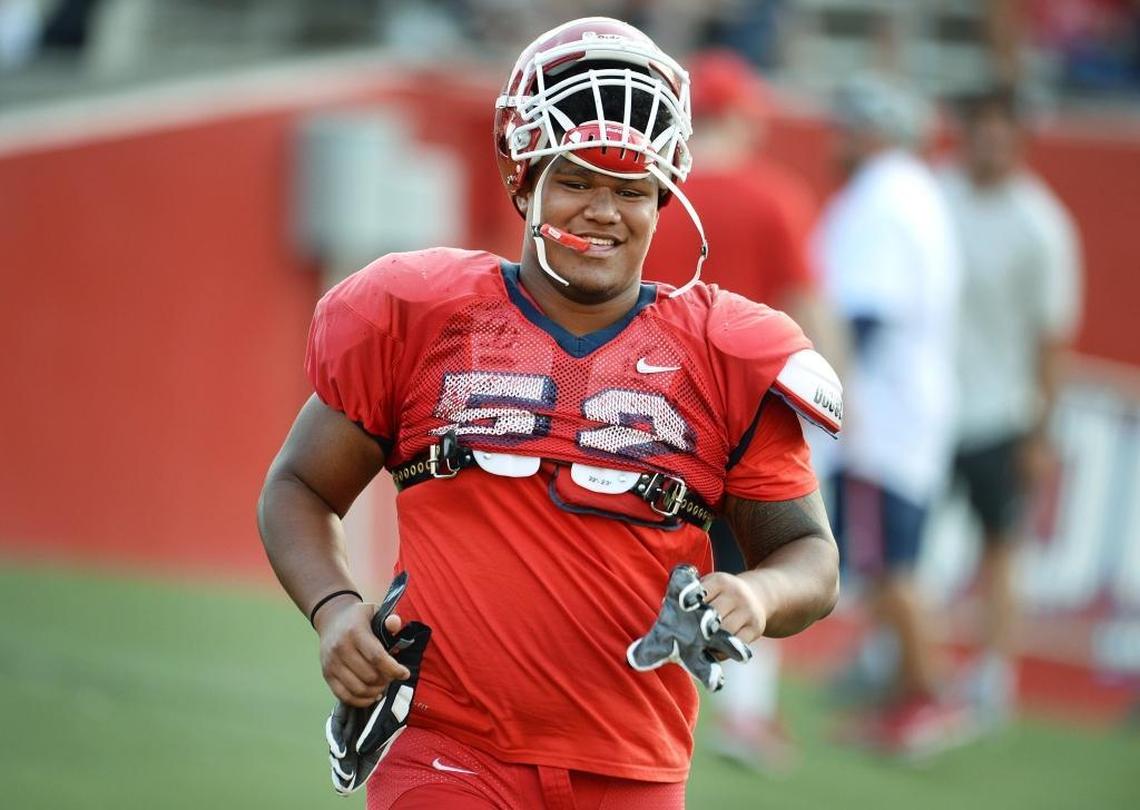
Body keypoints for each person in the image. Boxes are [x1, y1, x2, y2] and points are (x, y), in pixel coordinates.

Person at [258, 17, 842, 809]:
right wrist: (334, 611)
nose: (604, 210)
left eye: (631, 189)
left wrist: (762, 596)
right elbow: (298, 485)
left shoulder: (722, 351)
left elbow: (810, 553)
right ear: (525, 178)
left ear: (664, 198)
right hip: (448, 747)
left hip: (633, 769)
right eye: (577, 181)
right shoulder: (423, 315)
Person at [643, 48, 841, 773]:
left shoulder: (654, 187)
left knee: (643, 549)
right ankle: (747, 716)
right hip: (742, 412)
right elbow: (808, 307)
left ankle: (647, 677)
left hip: (642, 399)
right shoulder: (775, 197)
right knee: (764, 560)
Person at [813, 72, 964, 756]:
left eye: (849, 126)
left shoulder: (884, 198)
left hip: (883, 407)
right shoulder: (911, 191)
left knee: (891, 565)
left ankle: (925, 696)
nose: (837, 140)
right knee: (887, 562)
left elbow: (865, 314)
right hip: (906, 402)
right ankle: (903, 690)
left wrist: (830, 395)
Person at [938, 84, 1082, 726]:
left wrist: (1040, 432)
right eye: (979, 126)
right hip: (933, 401)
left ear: (1019, 138)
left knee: (1000, 544)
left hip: (1000, 410)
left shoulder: (1041, 226)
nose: (987, 139)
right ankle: (897, 652)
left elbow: (1052, 339)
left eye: (1000, 128)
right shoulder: (936, 195)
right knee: (910, 541)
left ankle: (994, 673)